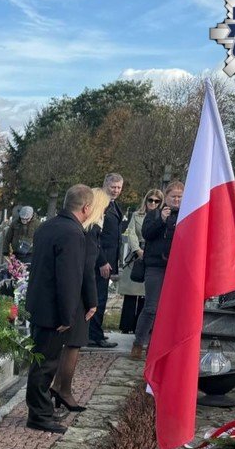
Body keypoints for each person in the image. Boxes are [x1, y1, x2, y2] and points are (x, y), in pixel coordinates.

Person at [24, 185, 94, 433]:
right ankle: (39, 415)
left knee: (41, 361)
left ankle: (41, 410)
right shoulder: (73, 233)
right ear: (86, 208)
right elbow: (69, 277)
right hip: (54, 310)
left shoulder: (47, 226)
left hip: (39, 305)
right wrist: (68, 314)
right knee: (46, 364)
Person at [52, 188, 109, 413]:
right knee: (73, 344)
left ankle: (61, 388)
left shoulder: (79, 228)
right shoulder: (89, 230)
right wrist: (93, 301)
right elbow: (87, 269)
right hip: (79, 294)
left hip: (72, 292)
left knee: (68, 344)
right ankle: (61, 388)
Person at [132, 182, 184, 360]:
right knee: (151, 307)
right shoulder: (154, 214)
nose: (176, 200)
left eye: (179, 197)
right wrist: (161, 220)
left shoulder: (187, 215)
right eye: (173, 197)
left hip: (177, 267)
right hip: (155, 266)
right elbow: (146, 234)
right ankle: (139, 342)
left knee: (170, 309)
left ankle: (158, 344)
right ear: (166, 197)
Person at [87, 173, 123, 348]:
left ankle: (95, 331)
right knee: (98, 297)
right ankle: (94, 335)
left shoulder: (114, 206)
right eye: (113, 187)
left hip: (109, 258)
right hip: (100, 260)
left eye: (118, 187)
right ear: (105, 185)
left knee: (101, 296)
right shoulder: (99, 205)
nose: (116, 191)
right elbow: (95, 236)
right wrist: (102, 260)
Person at [119, 190, 160, 334]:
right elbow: (131, 233)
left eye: (157, 201)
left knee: (146, 294)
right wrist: (137, 250)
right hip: (137, 254)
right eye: (151, 200)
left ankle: (141, 327)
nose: (153, 203)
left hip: (152, 253)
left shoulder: (161, 217)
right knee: (131, 291)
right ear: (146, 200)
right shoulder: (137, 215)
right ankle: (126, 325)